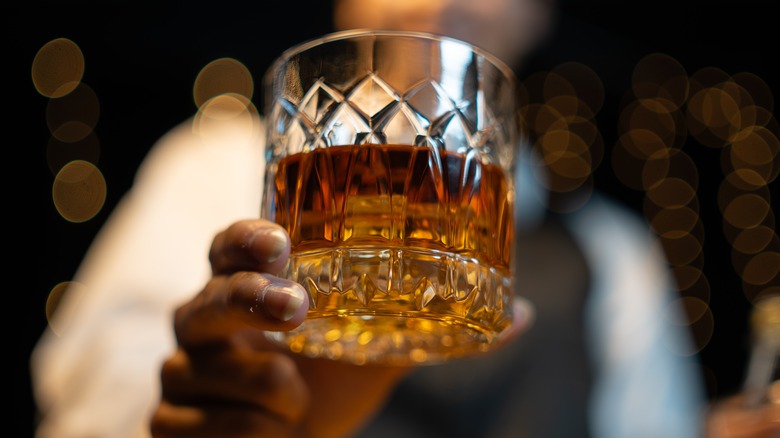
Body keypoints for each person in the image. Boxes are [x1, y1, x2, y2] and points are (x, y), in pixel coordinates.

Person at [30, 1, 718, 437]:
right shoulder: (213, 162)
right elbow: (88, 407)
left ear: (540, 12)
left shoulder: (616, 253)